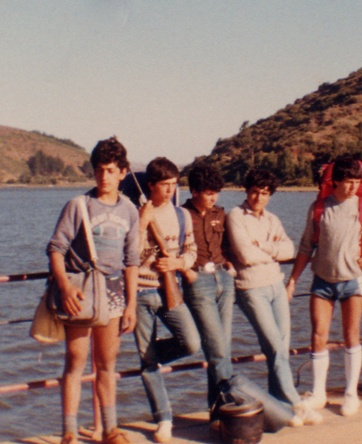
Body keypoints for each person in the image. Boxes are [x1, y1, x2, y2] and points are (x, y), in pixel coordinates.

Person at [47, 137, 140, 444]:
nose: (104, 177)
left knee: (106, 364)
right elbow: (56, 250)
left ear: (123, 172)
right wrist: (64, 287)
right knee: (74, 362)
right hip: (81, 294)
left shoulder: (130, 211)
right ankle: (69, 432)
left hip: (113, 296)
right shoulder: (78, 205)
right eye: (100, 170)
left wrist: (131, 306)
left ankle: (110, 429)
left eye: (111, 170)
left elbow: (131, 261)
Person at [286, 157, 362, 417]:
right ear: (335, 182)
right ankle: (319, 394)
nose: (353, 187)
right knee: (318, 336)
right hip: (321, 281)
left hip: (352, 281)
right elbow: (305, 247)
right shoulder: (319, 208)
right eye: (348, 182)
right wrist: (292, 281)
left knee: (350, 336)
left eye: (357, 182)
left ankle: (350, 394)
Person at [226, 169, 322, 427]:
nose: (259, 197)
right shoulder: (235, 216)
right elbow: (245, 255)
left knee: (281, 347)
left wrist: (264, 247)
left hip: (276, 286)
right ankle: (297, 405)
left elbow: (289, 249)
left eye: (265, 193)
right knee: (275, 347)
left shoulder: (272, 219)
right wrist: (270, 251)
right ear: (247, 191)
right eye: (255, 191)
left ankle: (279, 409)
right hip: (251, 287)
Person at [134, 157, 201, 443]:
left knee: (191, 343)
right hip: (139, 293)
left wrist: (176, 264)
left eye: (175, 185)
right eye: (165, 186)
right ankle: (164, 418)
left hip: (169, 289)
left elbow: (191, 251)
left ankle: (150, 359)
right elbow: (127, 257)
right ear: (151, 185)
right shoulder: (136, 214)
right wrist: (141, 224)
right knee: (147, 363)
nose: (171, 191)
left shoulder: (182, 215)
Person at [181, 163, 235, 421]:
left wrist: (230, 264)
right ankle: (230, 408)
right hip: (198, 281)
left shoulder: (220, 213)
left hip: (224, 279)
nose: (213, 197)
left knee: (223, 346)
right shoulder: (180, 215)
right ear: (193, 191)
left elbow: (225, 244)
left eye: (216, 192)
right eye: (208, 192)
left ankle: (217, 412)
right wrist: (187, 273)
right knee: (217, 350)